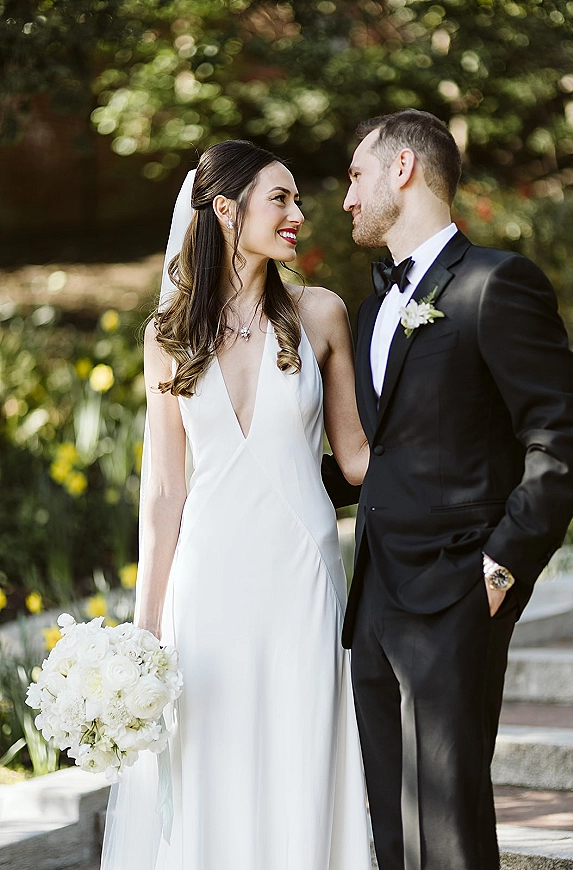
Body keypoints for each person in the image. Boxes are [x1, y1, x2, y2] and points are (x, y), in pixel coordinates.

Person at [100, 139, 373, 870]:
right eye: (280, 199)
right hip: (209, 580)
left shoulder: (322, 314)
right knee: (210, 763)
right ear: (227, 209)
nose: (299, 215)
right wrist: (145, 631)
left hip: (303, 575)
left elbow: (355, 459)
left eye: (298, 200)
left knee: (305, 752)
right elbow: (163, 492)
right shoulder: (168, 336)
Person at [337, 109, 573, 870]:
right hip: (375, 598)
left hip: (457, 591)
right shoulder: (372, 309)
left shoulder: (495, 283)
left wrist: (501, 565)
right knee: (392, 824)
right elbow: (376, 456)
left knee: (450, 825)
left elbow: (563, 435)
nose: (346, 198)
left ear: (401, 170)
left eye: (355, 175)